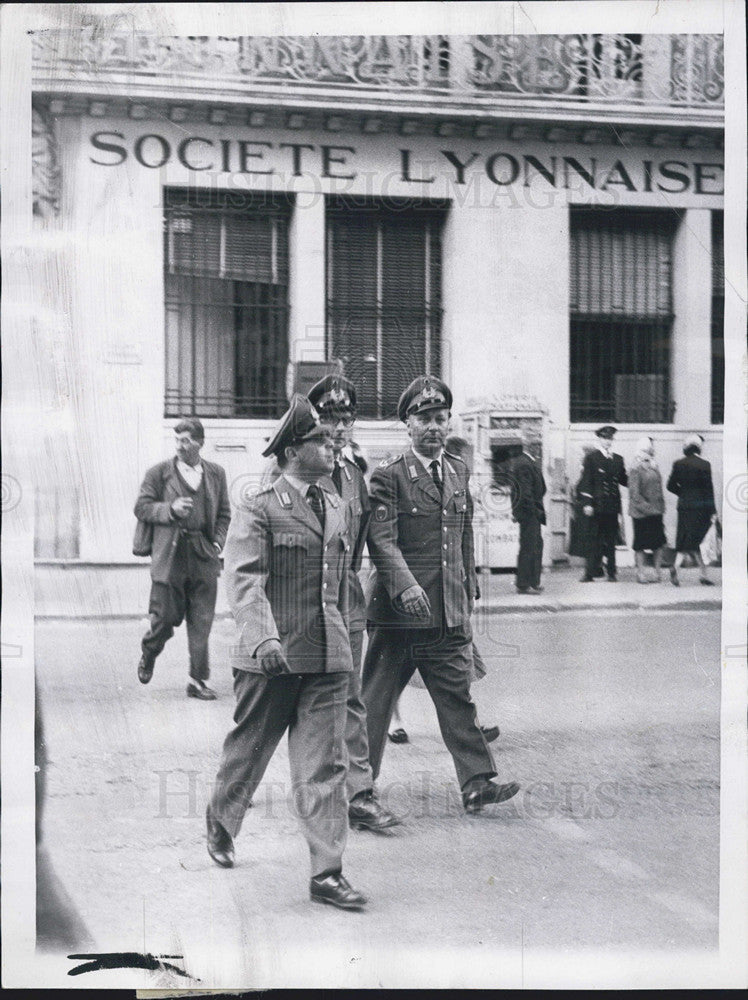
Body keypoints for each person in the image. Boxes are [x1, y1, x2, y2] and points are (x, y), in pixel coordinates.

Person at [205, 395, 367, 911]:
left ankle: (327, 872)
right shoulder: (259, 504)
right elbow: (245, 577)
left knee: (324, 766)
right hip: (270, 657)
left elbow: (340, 587)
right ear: (294, 450)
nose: (332, 443)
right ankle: (222, 821)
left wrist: (346, 639)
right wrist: (262, 636)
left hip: (326, 657)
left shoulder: (337, 505)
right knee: (248, 751)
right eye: (321, 438)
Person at [361, 375, 520, 815]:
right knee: (375, 703)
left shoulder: (458, 470)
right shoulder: (389, 476)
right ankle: (357, 790)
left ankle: (477, 782)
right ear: (407, 424)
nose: (433, 426)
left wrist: (469, 588)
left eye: (440, 418)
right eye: (424, 419)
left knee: (456, 697)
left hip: (447, 610)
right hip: (399, 615)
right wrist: (406, 585)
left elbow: (463, 535)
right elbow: (382, 541)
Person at [307, 373, 399, 833]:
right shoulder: (295, 469)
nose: (337, 429)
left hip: (346, 601)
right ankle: (234, 796)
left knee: (351, 699)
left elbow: (366, 540)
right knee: (278, 708)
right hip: (302, 604)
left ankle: (359, 795)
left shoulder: (352, 474)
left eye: (345, 420)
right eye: (328, 418)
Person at [134, 418, 231, 699]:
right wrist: (170, 510)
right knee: (164, 619)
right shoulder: (159, 473)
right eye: (176, 440)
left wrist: (217, 542)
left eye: (186, 440)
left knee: (201, 622)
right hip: (171, 556)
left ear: (200, 442)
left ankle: (198, 681)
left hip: (203, 553)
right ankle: (149, 652)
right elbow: (141, 507)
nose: (180, 445)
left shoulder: (216, 473)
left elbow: (224, 512)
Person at [577, 425, 628, 583]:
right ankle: (590, 573)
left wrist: (637, 471)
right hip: (597, 505)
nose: (607, 441)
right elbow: (586, 482)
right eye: (605, 438)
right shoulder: (592, 458)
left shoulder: (618, 459)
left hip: (612, 506)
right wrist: (587, 503)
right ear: (599, 439)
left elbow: (624, 480)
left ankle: (611, 573)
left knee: (611, 540)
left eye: (610, 438)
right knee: (594, 540)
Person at [666, 433, 717, 587]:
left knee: (684, 540)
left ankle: (676, 567)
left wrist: (683, 494)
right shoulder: (705, 464)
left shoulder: (678, 463)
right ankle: (703, 575)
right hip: (701, 509)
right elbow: (709, 490)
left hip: (684, 507)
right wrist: (713, 511)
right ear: (698, 448)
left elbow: (670, 485)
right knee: (701, 541)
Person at [510, 431, 547, 594]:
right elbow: (526, 492)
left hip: (529, 513)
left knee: (532, 546)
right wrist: (535, 511)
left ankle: (529, 582)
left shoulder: (525, 462)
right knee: (530, 547)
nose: (539, 449)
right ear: (530, 447)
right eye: (536, 445)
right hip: (530, 513)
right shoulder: (525, 464)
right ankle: (526, 583)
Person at [628, 436, 667, 584]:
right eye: (650, 447)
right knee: (641, 544)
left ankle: (658, 573)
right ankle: (641, 573)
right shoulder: (635, 467)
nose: (652, 450)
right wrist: (649, 508)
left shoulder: (654, 465)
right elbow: (634, 494)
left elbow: (658, 489)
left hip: (656, 511)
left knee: (658, 543)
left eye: (652, 448)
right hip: (641, 513)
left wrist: (660, 508)